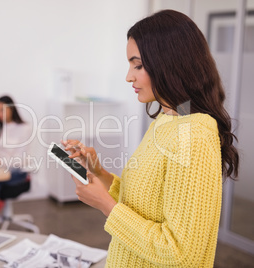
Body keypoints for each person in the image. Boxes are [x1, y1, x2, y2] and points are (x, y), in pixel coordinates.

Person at [63, 10, 239, 267]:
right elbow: (146, 202)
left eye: (138, 65)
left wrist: (106, 205)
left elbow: (180, 253)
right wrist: (98, 172)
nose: (128, 76)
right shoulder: (169, 119)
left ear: (169, 62)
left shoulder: (196, 134)